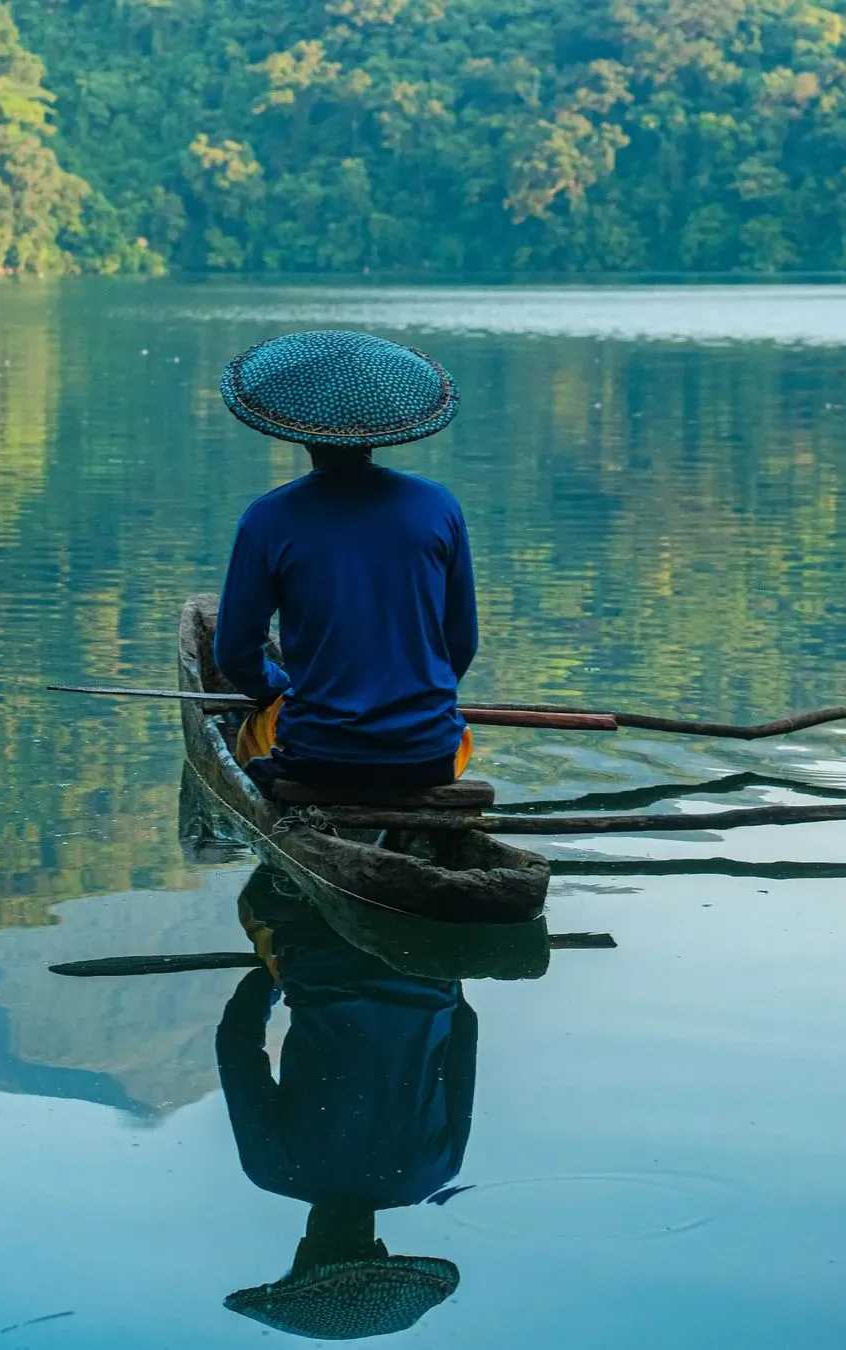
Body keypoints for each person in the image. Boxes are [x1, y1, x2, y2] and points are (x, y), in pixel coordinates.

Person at [216, 866, 475, 1340]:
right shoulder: (273, 1169)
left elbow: (464, 1031)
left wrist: (441, 985)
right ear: (301, 1252)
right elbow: (237, 1043)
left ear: (379, 1246)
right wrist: (273, 979)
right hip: (316, 950)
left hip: (433, 961)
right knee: (253, 905)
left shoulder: (438, 1172)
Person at [214, 329, 477, 795]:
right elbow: (462, 643)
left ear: (298, 429)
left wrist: (279, 687)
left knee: (250, 732)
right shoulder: (439, 506)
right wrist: (410, 701)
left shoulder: (268, 518)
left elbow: (235, 655)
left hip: (318, 757)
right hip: (429, 755)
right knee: (458, 733)